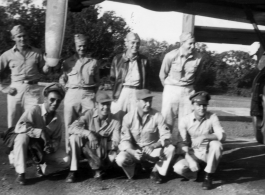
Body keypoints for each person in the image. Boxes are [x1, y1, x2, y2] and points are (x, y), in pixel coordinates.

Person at [12, 83, 70, 185]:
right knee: (21, 137)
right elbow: (19, 127)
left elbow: (57, 139)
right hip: (29, 149)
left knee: (66, 160)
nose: (55, 103)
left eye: (58, 101)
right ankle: (21, 172)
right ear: (45, 99)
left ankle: (43, 167)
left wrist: (52, 148)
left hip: (43, 152)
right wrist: (40, 132)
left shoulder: (58, 119)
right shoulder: (34, 110)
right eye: (52, 99)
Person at [116, 89, 175, 183]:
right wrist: (133, 151)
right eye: (145, 101)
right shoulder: (127, 117)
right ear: (137, 102)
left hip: (152, 151)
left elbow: (167, 137)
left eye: (150, 101)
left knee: (170, 148)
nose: (148, 104)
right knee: (120, 158)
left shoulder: (157, 116)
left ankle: (156, 171)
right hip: (135, 152)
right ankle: (134, 172)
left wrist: (153, 146)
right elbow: (124, 140)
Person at [173, 91, 226, 190]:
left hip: (207, 153)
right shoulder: (185, 120)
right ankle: (197, 172)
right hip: (192, 153)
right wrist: (190, 160)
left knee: (216, 145)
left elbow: (222, 135)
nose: (202, 108)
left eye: (204, 105)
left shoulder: (212, 117)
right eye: (198, 105)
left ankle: (208, 176)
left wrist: (204, 136)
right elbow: (181, 143)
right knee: (178, 168)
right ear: (192, 105)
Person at [0, 25, 50, 128]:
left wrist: (49, 64)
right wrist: (3, 88)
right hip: (15, 91)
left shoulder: (37, 52)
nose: (22, 39)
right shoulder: (7, 55)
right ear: (13, 38)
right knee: (13, 120)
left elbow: (44, 71)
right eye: (19, 36)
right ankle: (13, 143)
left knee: (34, 118)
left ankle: (33, 143)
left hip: (33, 89)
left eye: (24, 36)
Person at [65, 91, 121, 183]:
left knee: (113, 155)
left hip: (102, 150)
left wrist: (101, 142)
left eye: (108, 104)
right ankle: (73, 170)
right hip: (85, 148)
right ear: (96, 105)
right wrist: (89, 134)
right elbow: (71, 128)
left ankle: (101, 168)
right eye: (103, 104)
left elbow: (115, 142)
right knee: (74, 138)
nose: (106, 107)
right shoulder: (88, 114)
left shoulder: (115, 120)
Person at [159, 32, 204, 143]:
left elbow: (197, 76)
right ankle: (165, 147)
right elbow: (162, 75)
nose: (193, 46)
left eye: (194, 44)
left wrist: (188, 89)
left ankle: (182, 148)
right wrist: (169, 89)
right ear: (182, 43)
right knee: (166, 120)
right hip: (171, 89)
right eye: (190, 44)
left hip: (188, 91)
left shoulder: (198, 58)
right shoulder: (170, 56)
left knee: (186, 121)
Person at [59, 34, 100, 152]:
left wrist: (91, 94)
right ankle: (70, 151)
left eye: (84, 46)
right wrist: (68, 91)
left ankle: (90, 152)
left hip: (88, 94)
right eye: (79, 46)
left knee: (91, 122)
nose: (82, 48)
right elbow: (63, 79)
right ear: (75, 46)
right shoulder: (67, 62)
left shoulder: (94, 62)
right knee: (69, 124)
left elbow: (97, 82)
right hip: (72, 94)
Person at [110, 32, 150, 122]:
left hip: (137, 92)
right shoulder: (117, 59)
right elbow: (112, 79)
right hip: (122, 91)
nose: (135, 45)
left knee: (135, 121)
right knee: (116, 120)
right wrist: (117, 92)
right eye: (133, 42)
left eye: (138, 43)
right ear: (126, 43)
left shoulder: (144, 60)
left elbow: (147, 80)